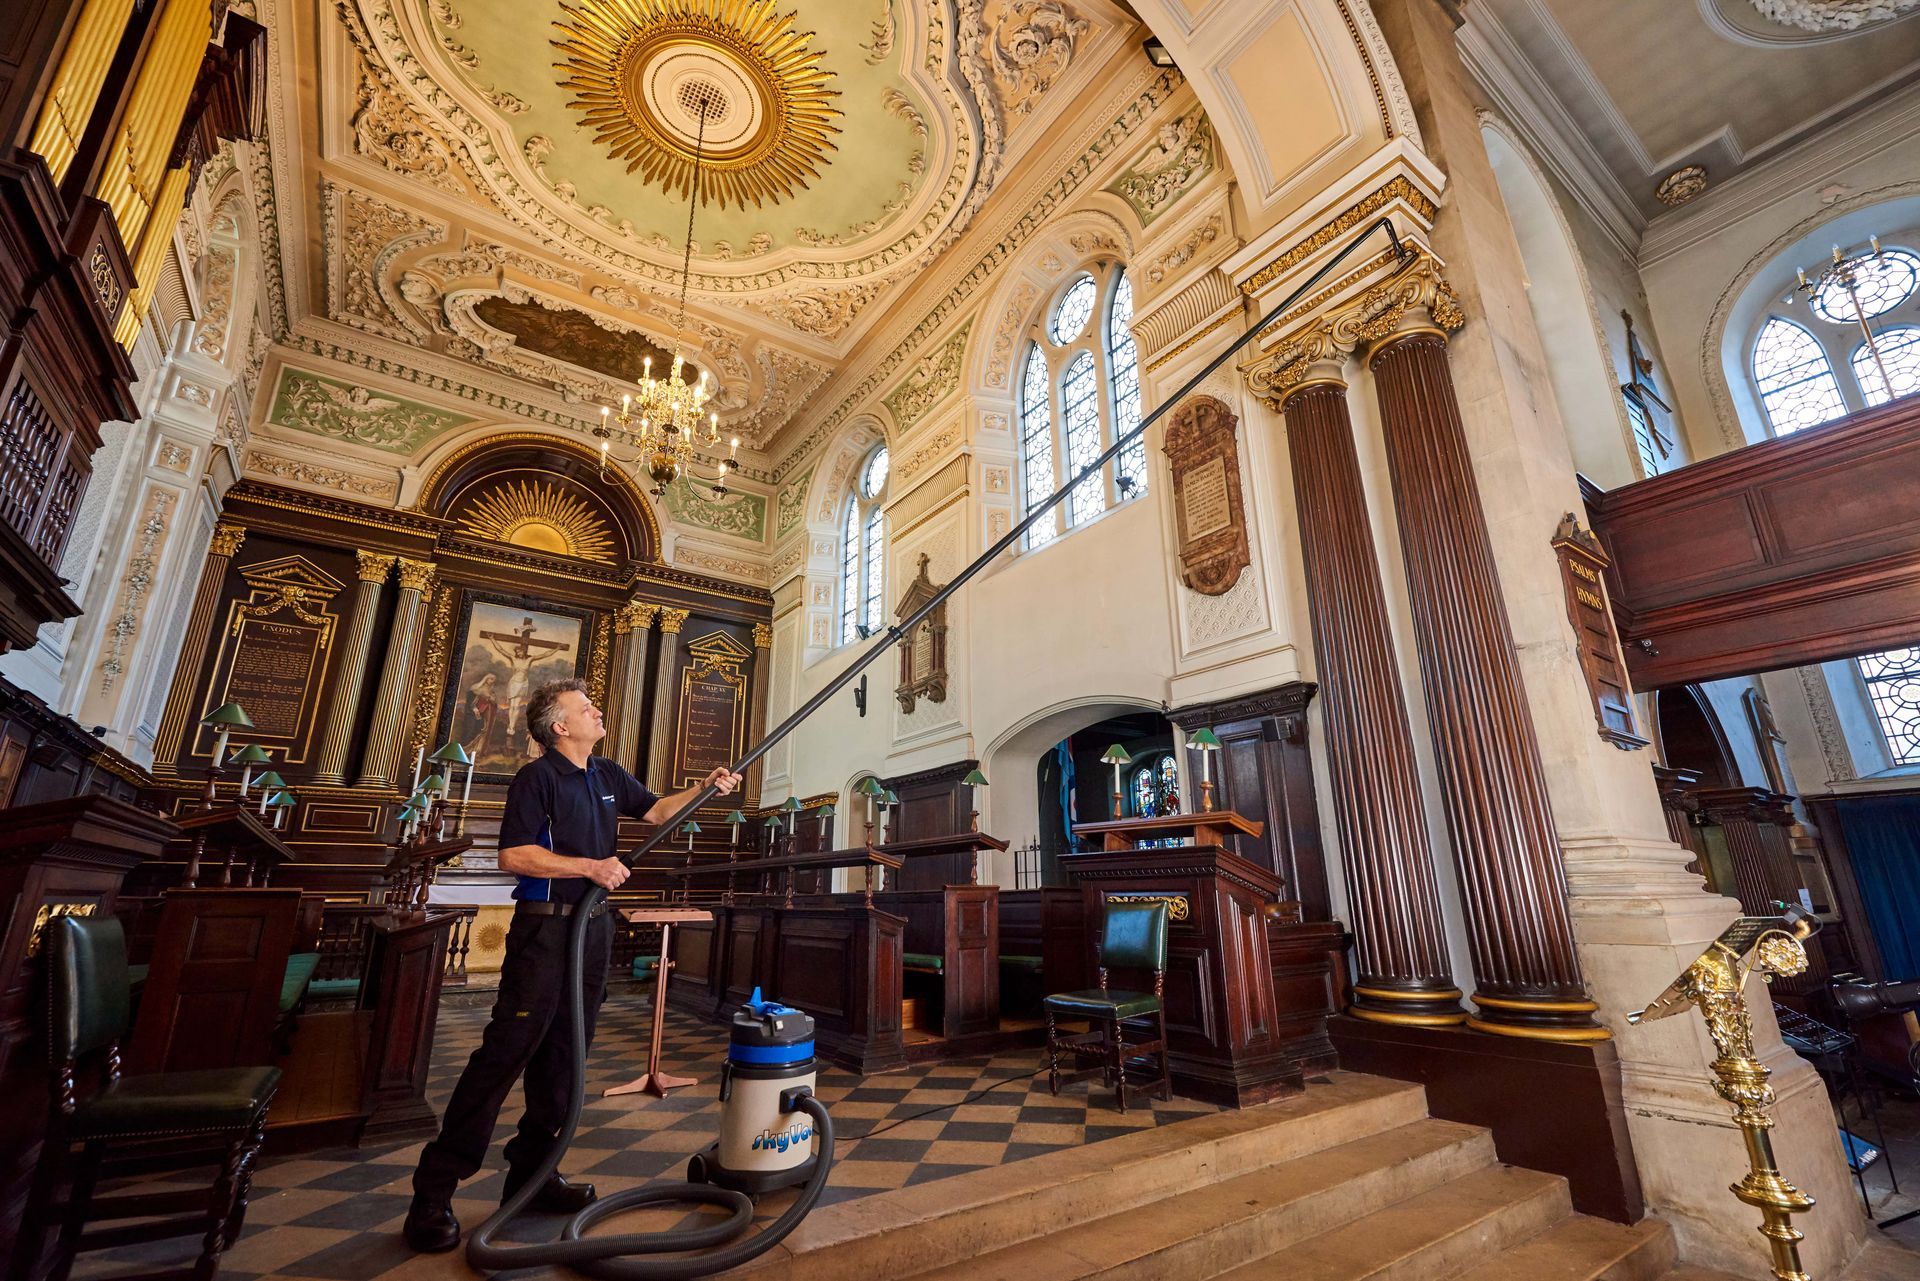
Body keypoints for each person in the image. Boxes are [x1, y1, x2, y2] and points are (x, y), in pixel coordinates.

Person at [404, 677, 740, 1252]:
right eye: (586, 708)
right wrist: (589, 866)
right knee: (505, 1054)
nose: (597, 712)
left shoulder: (605, 773)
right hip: (545, 929)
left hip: (593, 929)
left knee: (565, 1057)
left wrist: (704, 787)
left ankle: (532, 1179)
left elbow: (657, 810)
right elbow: (514, 854)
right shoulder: (536, 778)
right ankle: (433, 1192)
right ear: (560, 727)